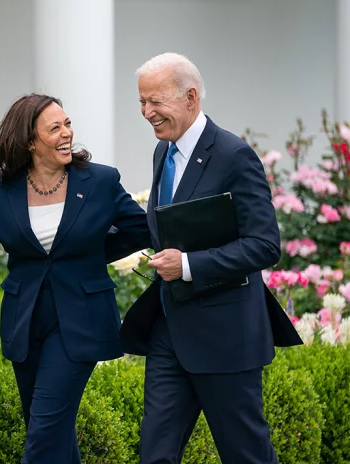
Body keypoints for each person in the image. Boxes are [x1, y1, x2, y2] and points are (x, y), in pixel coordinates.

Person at [0, 93, 151, 464]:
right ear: (29, 141)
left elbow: (141, 230)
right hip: (25, 323)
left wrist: (91, 256)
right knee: (53, 436)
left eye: (67, 124)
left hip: (81, 321)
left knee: (43, 436)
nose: (67, 133)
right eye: (55, 128)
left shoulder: (100, 180)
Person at [120, 53, 303, 463]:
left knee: (245, 455)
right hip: (169, 332)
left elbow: (264, 244)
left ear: (191, 96)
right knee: (155, 455)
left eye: (155, 102)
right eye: (141, 102)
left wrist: (186, 265)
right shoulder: (162, 153)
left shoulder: (234, 155)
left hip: (227, 336)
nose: (147, 112)